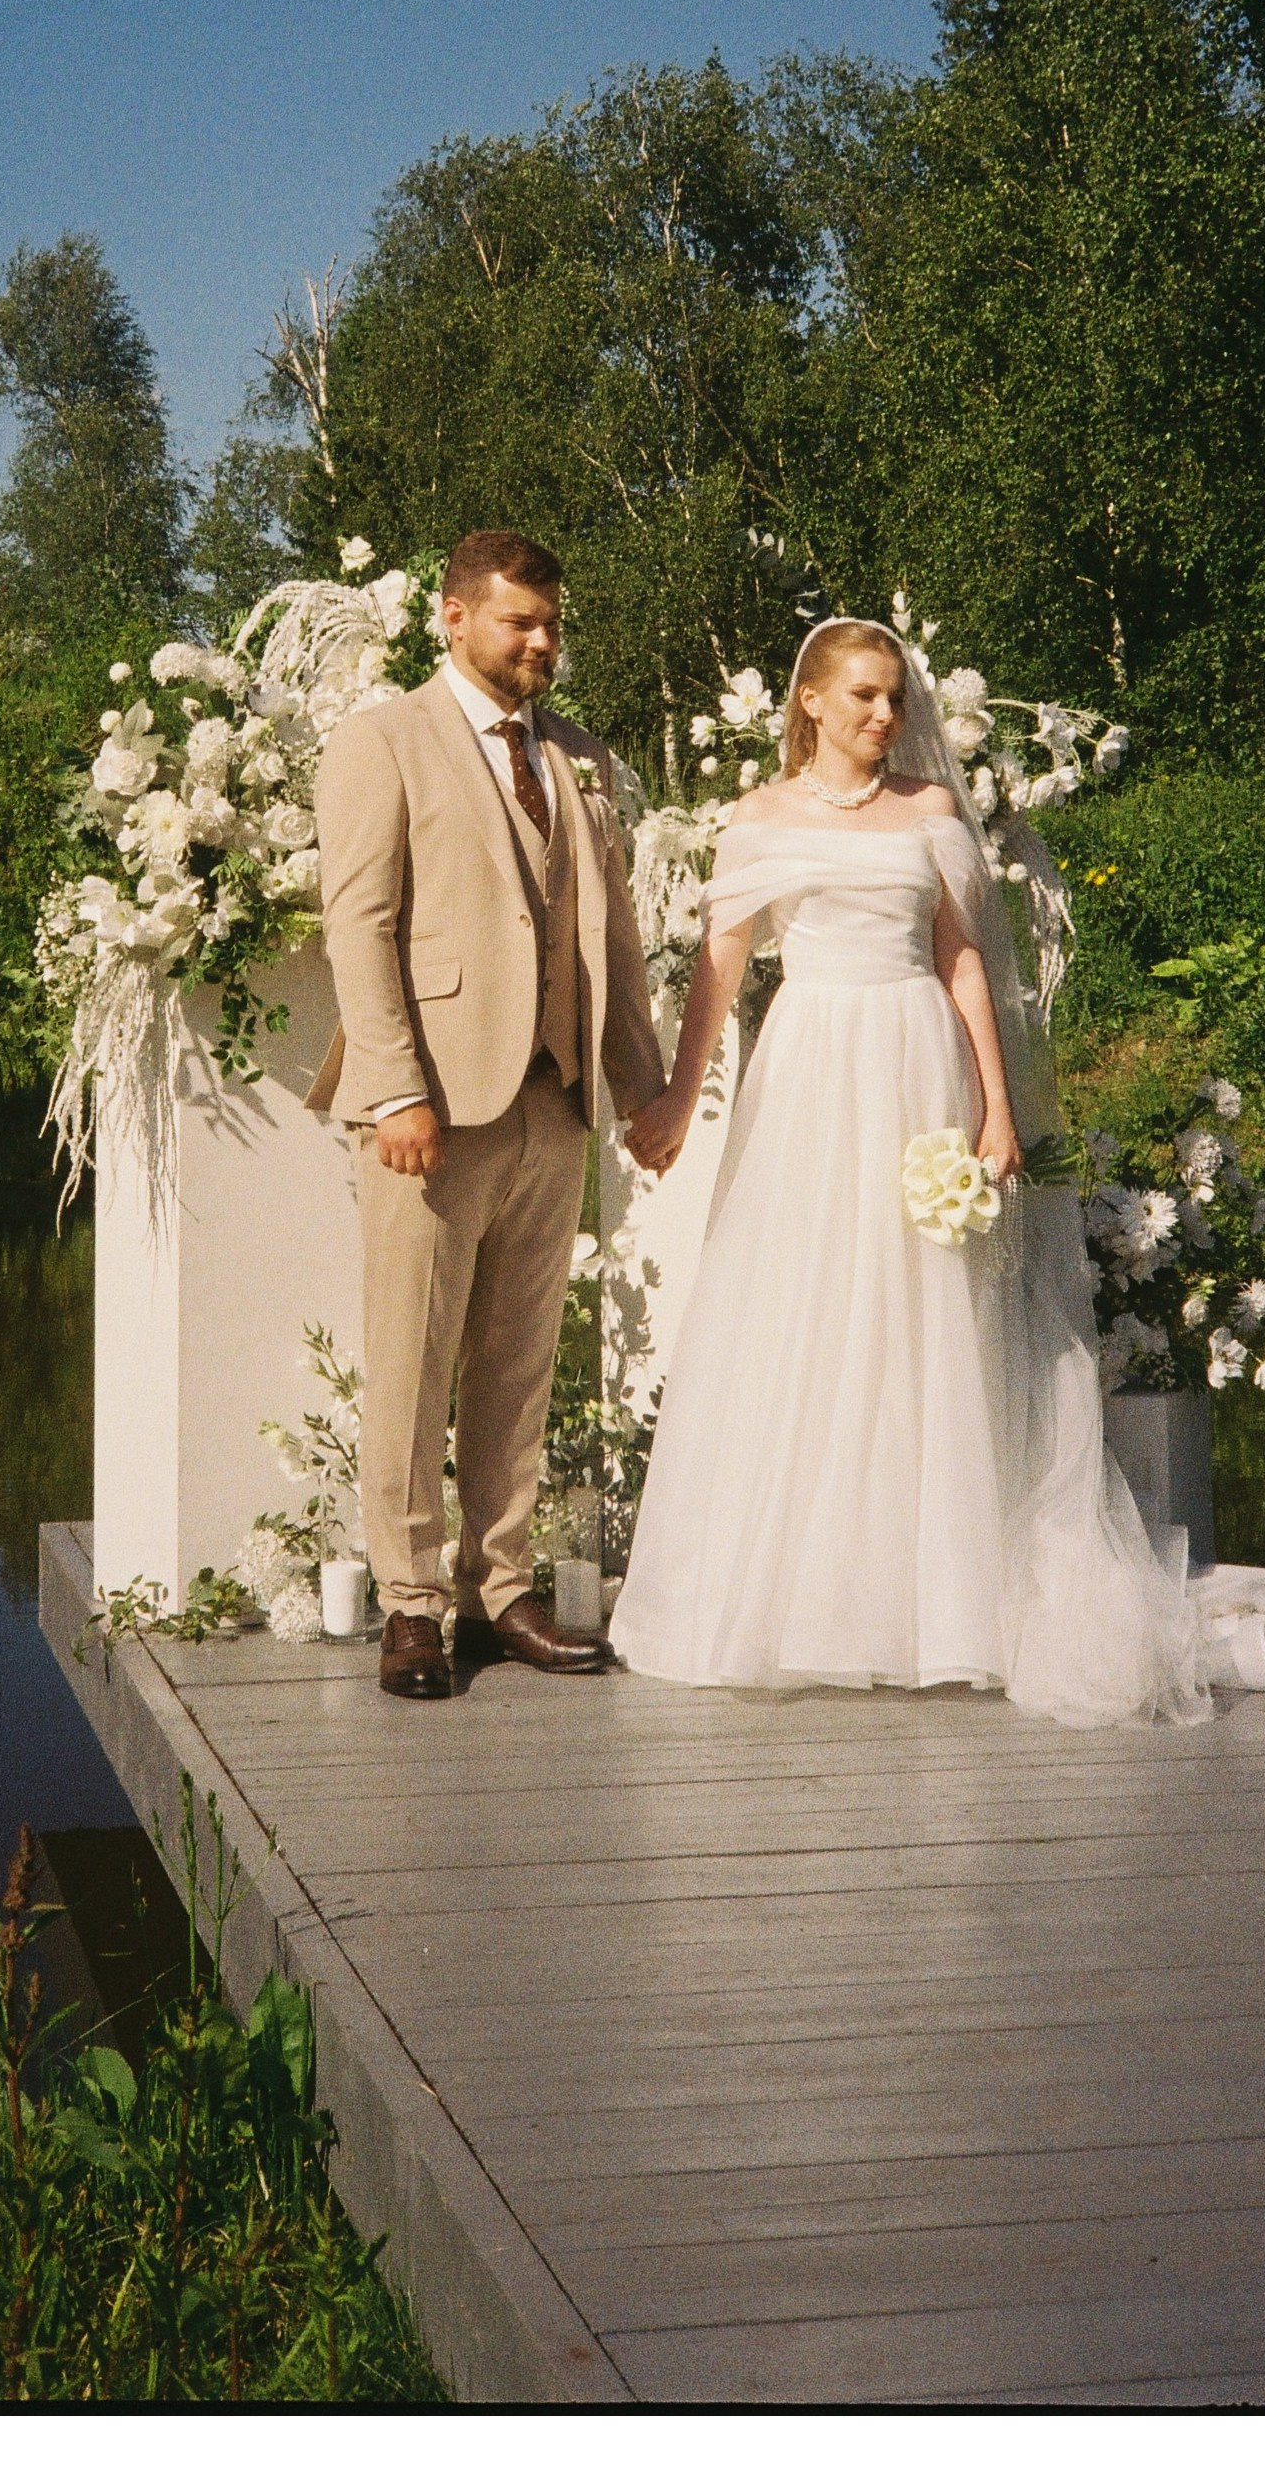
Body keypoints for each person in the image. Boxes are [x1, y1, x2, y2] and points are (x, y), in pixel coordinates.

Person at [612, 618, 1210, 1725]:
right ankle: (797, 1599)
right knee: (803, 1308)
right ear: (810, 702)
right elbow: (720, 966)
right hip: (810, 1069)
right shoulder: (756, 819)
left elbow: (961, 959)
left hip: (915, 1063)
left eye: (895, 696)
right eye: (864, 696)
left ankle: (933, 1605)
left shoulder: (930, 810)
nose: (886, 715)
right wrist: (680, 1099)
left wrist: (996, 1107)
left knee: (923, 1312)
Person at [309, 532, 669, 1700]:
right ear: (454, 618)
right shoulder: (382, 741)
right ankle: (411, 1604)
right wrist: (395, 1086)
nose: (542, 641)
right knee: (412, 1361)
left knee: (518, 1361)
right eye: (521, 622)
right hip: (429, 1108)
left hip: (551, 1101)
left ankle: (499, 1588)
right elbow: (360, 924)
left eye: (552, 622)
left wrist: (644, 1087)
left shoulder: (579, 756)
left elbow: (609, 935)